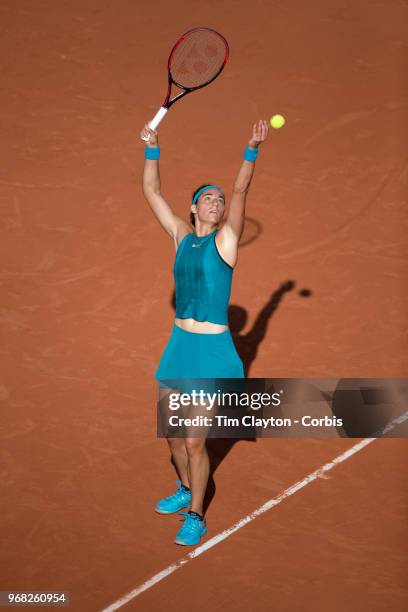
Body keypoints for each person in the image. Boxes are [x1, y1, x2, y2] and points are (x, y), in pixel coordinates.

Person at [140, 119, 269, 545]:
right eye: (207, 199)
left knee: (196, 444)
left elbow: (241, 192)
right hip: (179, 349)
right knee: (174, 438)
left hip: (213, 353)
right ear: (194, 209)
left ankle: (196, 514)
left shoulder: (226, 241)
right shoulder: (180, 236)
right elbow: (152, 193)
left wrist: (250, 150)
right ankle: (183, 489)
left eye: (217, 199)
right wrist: (153, 148)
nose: (215, 203)